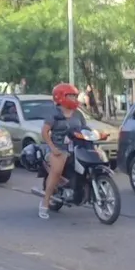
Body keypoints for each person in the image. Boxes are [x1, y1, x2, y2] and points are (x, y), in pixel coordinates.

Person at [39, 82, 87, 219]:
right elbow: (45, 132)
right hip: (59, 148)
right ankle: (45, 203)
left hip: (77, 147)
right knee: (56, 172)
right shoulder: (54, 114)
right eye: (70, 96)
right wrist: (53, 148)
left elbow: (85, 129)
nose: (74, 98)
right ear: (60, 97)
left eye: (75, 96)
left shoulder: (78, 113)